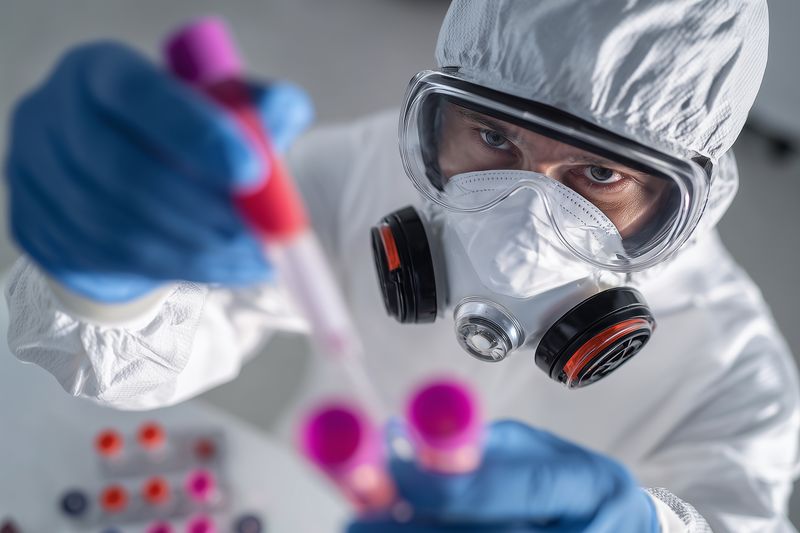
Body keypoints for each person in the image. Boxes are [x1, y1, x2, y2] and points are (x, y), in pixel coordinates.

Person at [4, 0, 798, 531]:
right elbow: (160, 342)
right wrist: (109, 278)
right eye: (495, 138)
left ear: (682, 196)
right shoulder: (372, 173)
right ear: (445, 110)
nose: (522, 221)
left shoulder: (739, 376)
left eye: (599, 176)